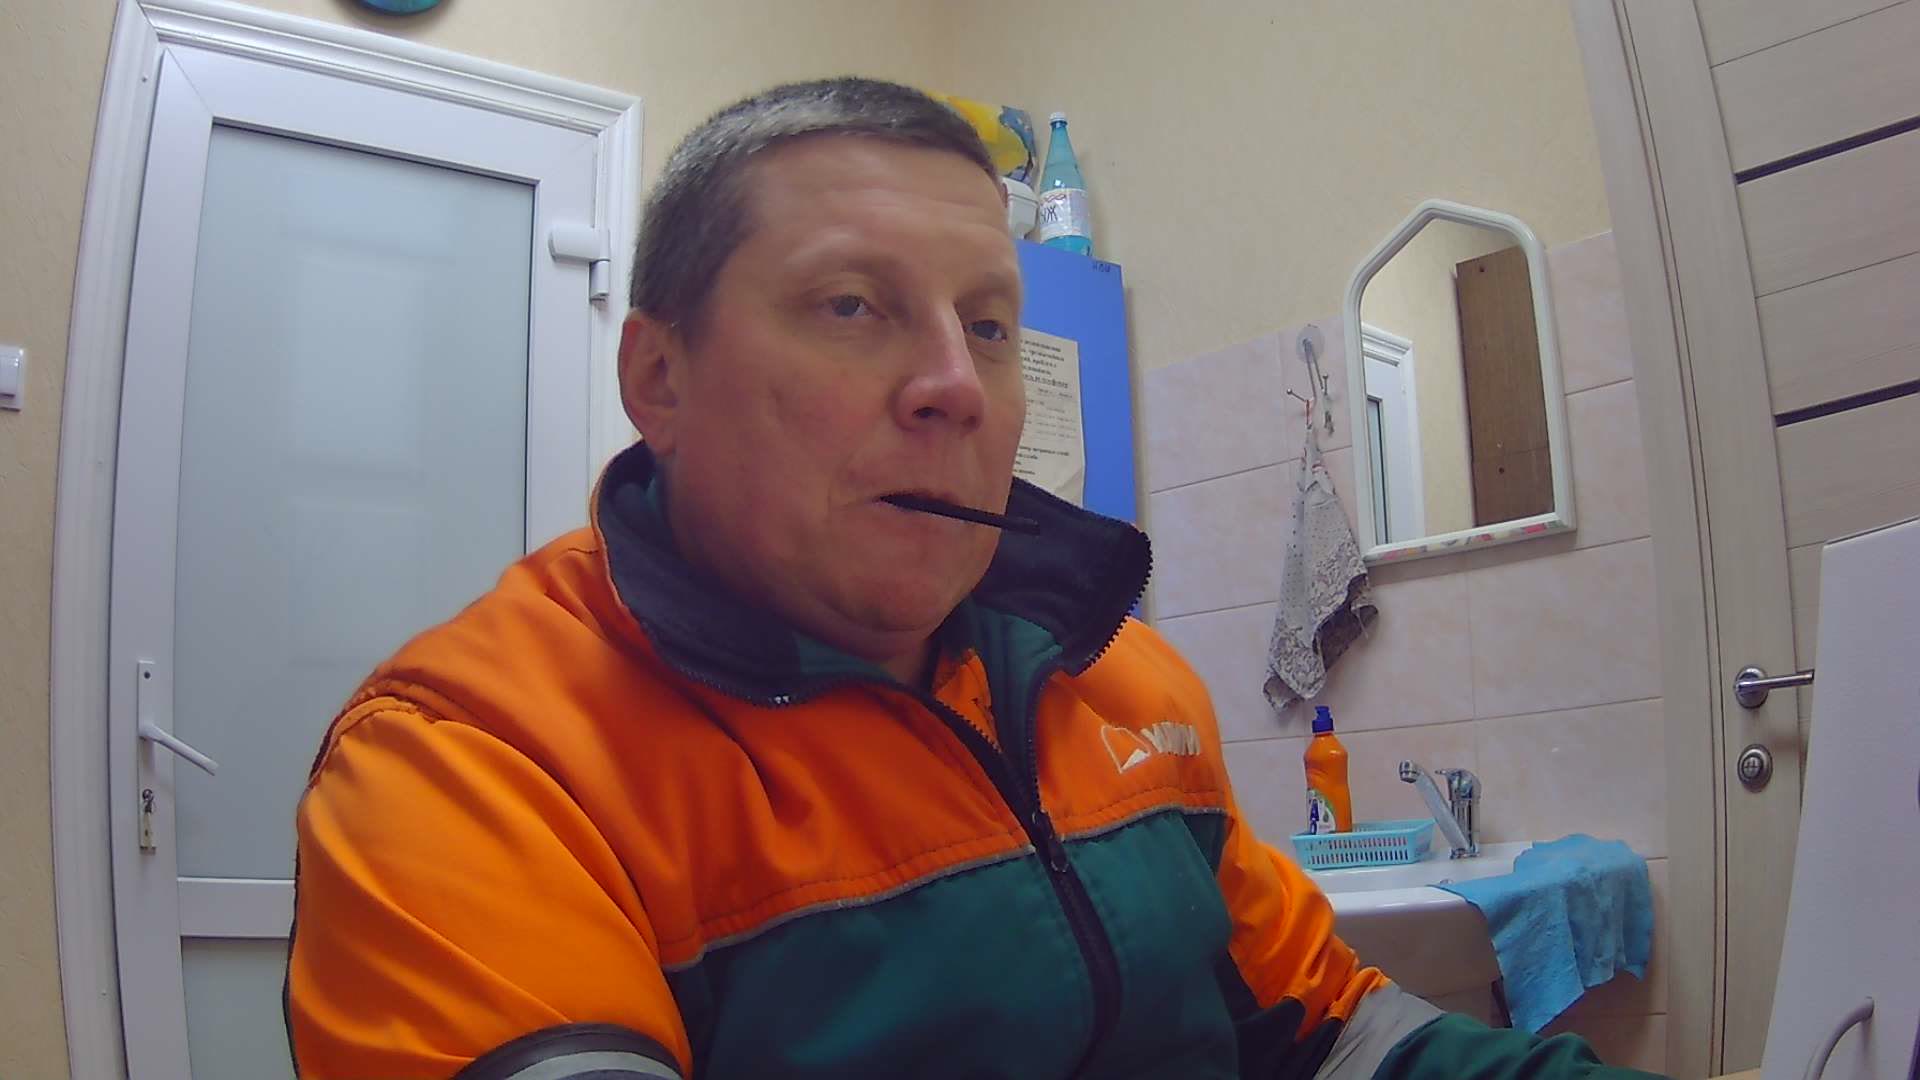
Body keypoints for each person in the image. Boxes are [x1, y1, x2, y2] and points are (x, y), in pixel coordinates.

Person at [285, 77, 1662, 1080]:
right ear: (659, 376)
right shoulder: (473, 763)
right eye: (852, 306)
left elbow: (1335, 1035)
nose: (956, 384)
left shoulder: (1126, 679)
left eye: (990, 324)